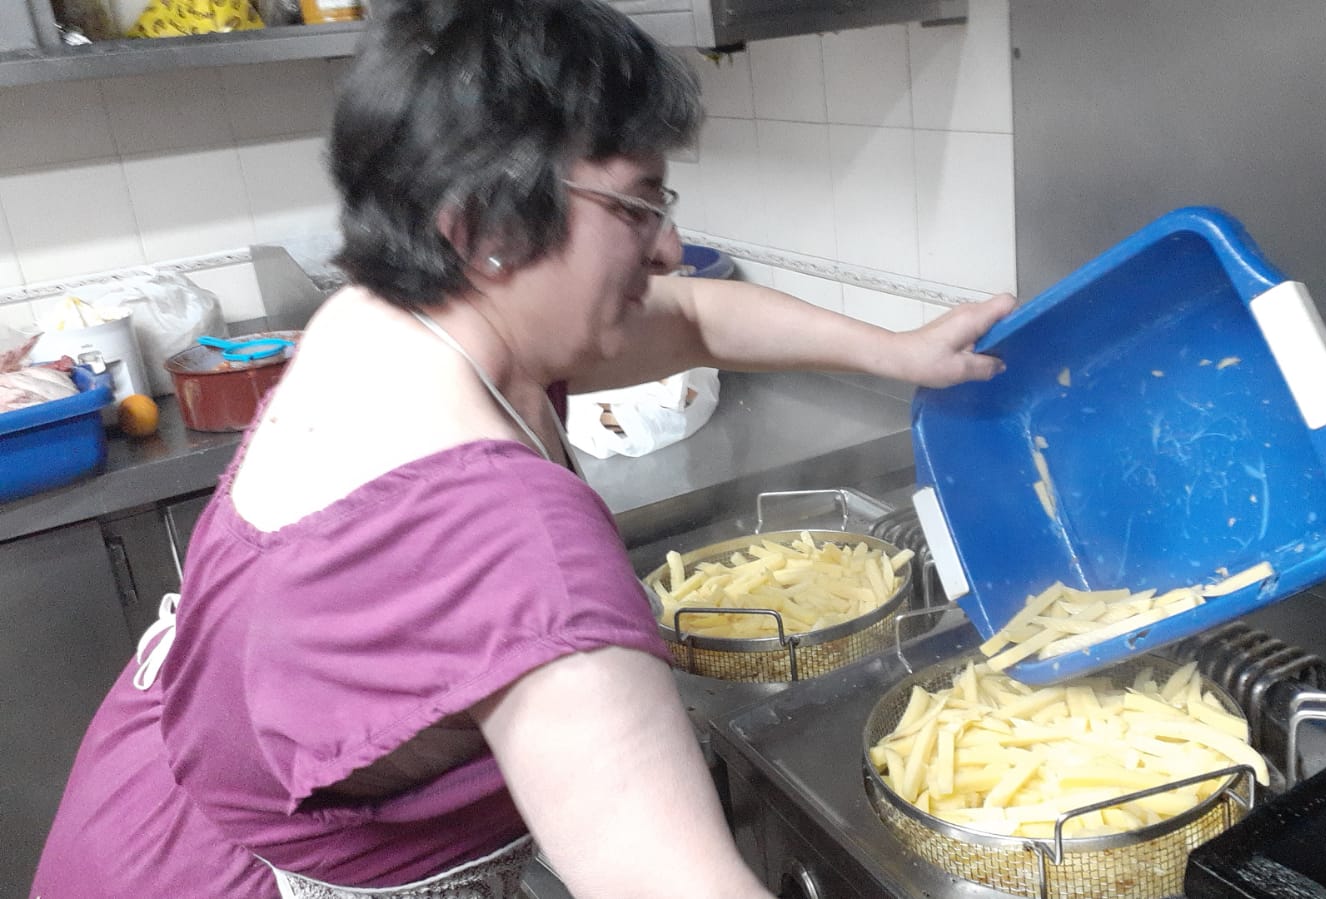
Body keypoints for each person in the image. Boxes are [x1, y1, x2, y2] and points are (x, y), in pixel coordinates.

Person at [30, 1, 1016, 896]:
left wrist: (895, 351)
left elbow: (689, 317)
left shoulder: (399, 315)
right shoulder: (512, 544)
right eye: (638, 206)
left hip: (137, 809)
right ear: (483, 226)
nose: (667, 245)